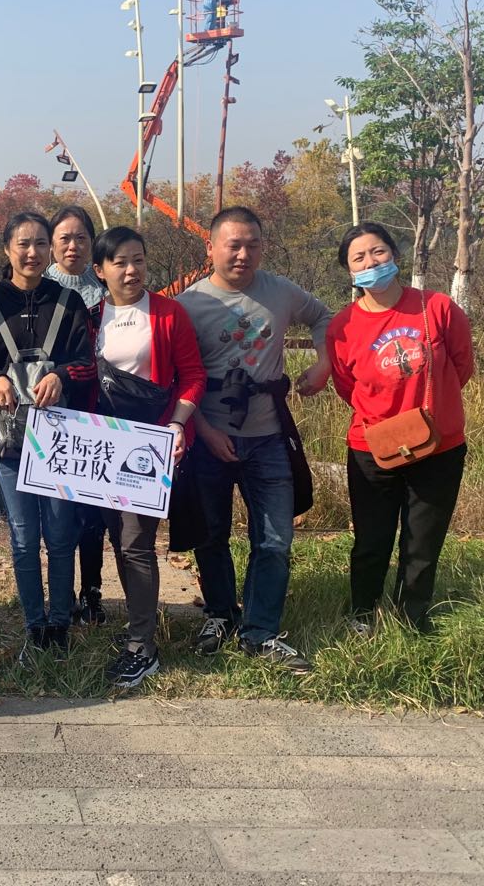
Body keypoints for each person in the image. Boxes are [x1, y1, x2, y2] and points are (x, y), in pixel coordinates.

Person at [179, 206, 331, 673]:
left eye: (253, 245)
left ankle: (260, 631)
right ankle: (220, 615)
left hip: (268, 437)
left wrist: (323, 364)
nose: (243, 254)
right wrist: (206, 431)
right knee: (211, 535)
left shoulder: (281, 291)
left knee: (275, 539)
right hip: (211, 439)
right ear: (211, 248)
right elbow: (179, 378)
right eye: (234, 245)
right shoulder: (188, 305)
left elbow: (324, 317)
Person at [326, 222, 474, 635]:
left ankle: (411, 619)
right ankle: (362, 613)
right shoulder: (343, 326)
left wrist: (427, 410)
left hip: (438, 445)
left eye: (378, 252)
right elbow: (347, 386)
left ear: (394, 254)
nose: (370, 262)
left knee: (422, 542)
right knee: (371, 541)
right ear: (349, 270)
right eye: (359, 257)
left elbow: (461, 367)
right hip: (371, 448)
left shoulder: (438, 308)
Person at [90, 225, 206, 687]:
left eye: (137, 259)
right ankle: (136, 624)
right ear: (100, 270)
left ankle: (143, 646)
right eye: (119, 262)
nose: (131, 270)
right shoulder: (90, 317)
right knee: (119, 539)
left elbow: (194, 375)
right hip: (101, 447)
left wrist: (176, 424)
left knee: (137, 542)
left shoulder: (168, 314)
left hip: (146, 447)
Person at [0, 211, 95, 659]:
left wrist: (61, 375)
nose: (32, 252)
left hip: (60, 438)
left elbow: (88, 363)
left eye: (41, 243)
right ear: (7, 249)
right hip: (7, 440)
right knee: (24, 536)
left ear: (50, 250)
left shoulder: (69, 302)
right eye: (23, 244)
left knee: (61, 533)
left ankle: (60, 622)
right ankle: (34, 624)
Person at [44, 205, 108, 625]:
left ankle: (92, 590)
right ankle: (61, 592)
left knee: (92, 512)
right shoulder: (38, 289)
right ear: (52, 244)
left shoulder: (107, 291)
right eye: (64, 238)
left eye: (81, 237)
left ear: (91, 243)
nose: (73, 245)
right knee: (57, 511)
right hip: (50, 414)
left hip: (98, 411)